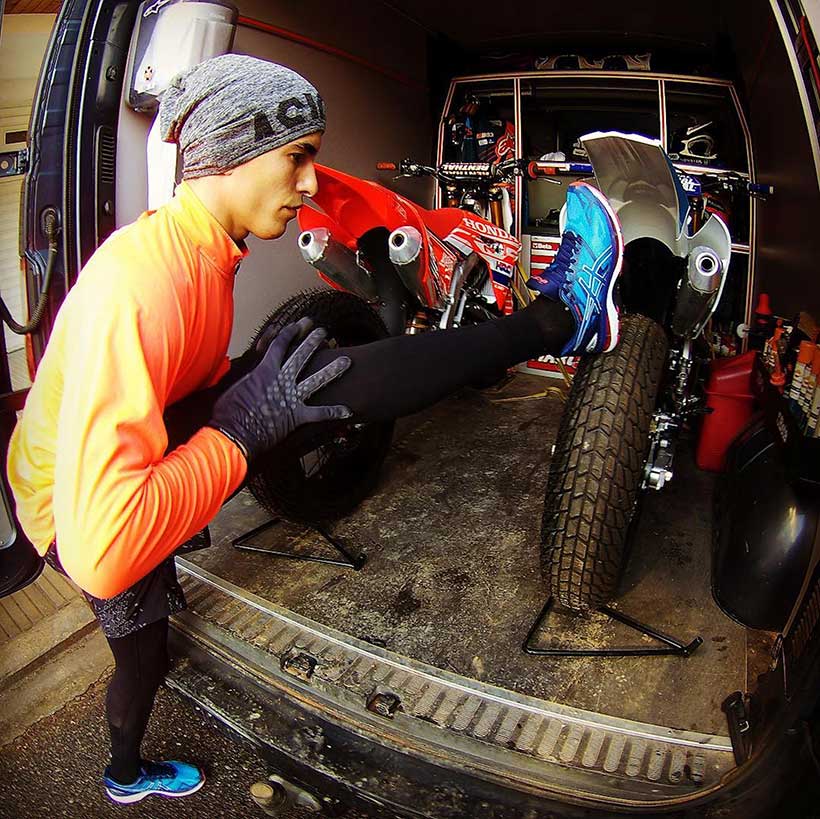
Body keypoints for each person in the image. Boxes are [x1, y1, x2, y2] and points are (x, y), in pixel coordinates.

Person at [5, 54, 622, 805]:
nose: (308, 184)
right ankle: (125, 773)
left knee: (308, 376)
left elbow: (187, 390)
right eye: (297, 156)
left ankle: (560, 321)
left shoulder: (202, 253)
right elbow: (102, 554)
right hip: (70, 517)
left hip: (119, 467)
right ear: (230, 150)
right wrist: (240, 433)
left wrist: (255, 406)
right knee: (143, 655)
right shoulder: (142, 287)